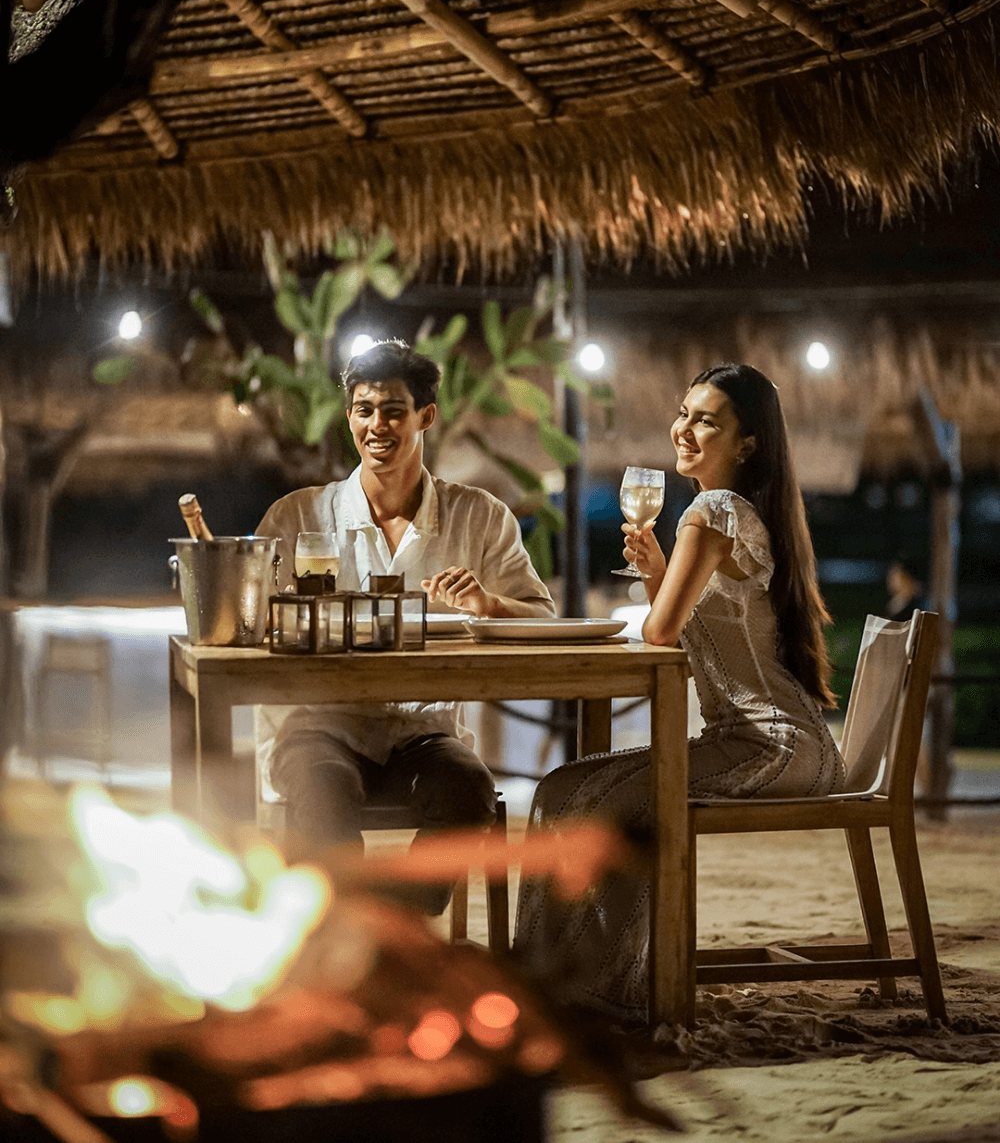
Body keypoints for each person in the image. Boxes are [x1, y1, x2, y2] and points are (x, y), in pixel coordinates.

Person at [513, 363, 844, 1020]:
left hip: (771, 744)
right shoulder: (738, 510)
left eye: (706, 419)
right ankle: (562, 980)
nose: (685, 428)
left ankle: (592, 989)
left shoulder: (714, 509)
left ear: (747, 442)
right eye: (684, 412)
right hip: (769, 739)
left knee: (593, 798)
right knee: (560, 789)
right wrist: (664, 570)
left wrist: (664, 585)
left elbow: (661, 632)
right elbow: (695, 632)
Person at [255, 340, 555, 909]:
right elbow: (257, 626)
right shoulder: (298, 516)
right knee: (323, 795)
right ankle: (344, 943)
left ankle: (387, 928)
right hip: (319, 725)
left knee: (468, 789)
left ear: (426, 417)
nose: (378, 425)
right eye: (364, 410)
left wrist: (490, 605)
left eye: (394, 410)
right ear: (348, 417)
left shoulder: (479, 517)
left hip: (423, 732)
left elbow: (540, 616)